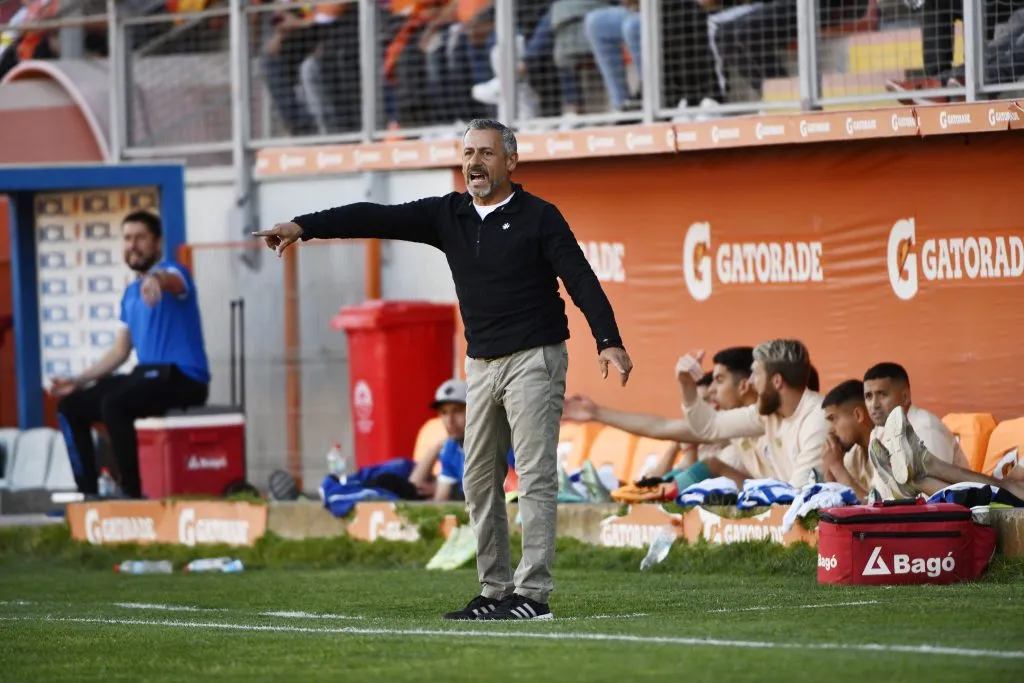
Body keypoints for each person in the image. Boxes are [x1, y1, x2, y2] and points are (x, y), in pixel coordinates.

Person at [255, 118, 632, 622]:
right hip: (480, 365)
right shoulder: (447, 215)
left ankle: (533, 596)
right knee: (478, 480)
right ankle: (495, 590)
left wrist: (608, 341)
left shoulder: (540, 217)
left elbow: (581, 279)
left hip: (535, 358)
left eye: (487, 153)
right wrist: (303, 226)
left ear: (511, 162)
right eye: (469, 153)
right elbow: (375, 217)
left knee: (536, 477)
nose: (475, 162)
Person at [51, 210, 211, 499]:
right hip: (146, 376)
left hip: (184, 379)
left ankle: (132, 495)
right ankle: (87, 496)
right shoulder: (130, 294)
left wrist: (157, 280)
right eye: (127, 238)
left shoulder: (176, 272)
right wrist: (78, 380)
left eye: (140, 238)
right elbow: (120, 351)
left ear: (157, 243)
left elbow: (172, 281)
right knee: (70, 407)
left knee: (115, 403)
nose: (132, 245)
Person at [563, 346, 760, 491]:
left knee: (712, 464)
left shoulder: (760, 418)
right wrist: (595, 412)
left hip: (782, 511)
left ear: (745, 384)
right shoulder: (732, 423)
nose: (712, 389)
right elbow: (660, 427)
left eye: (719, 380)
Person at [409, 378, 515, 501]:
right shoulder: (451, 446)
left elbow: (510, 494)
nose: (450, 420)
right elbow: (438, 499)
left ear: (475, 410)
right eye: (444, 413)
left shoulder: (497, 439)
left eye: (457, 411)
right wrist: (437, 447)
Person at [862, 362, 970, 470]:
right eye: (868, 396)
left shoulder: (924, 429)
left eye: (882, 394)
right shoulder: (878, 432)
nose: (874, 404)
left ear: (905, 397)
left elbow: (938, 484)